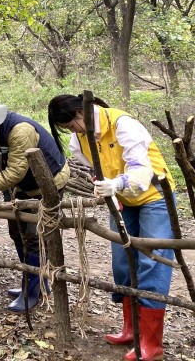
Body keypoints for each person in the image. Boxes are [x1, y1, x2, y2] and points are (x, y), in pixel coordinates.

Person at [48, 94, 174, 361]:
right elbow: (95, 167)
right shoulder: (78, 139)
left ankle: (152, 343)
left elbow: (143, 169)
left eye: (73, 125)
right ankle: (131, 329)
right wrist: (105, 186)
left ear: (81, 112)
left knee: (153, 261)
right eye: (68, 129)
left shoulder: (123, 124)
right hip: (124, 200)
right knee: (122, 261)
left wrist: (116, 184)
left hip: (154, 196)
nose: (74, 131)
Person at [0, 98, 70, 313]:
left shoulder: (20, 131)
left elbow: (16, 171)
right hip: (19, 186)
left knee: (34, 235)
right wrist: (6, 190)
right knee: (17, 232)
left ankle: (33, 291)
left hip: (47, 184)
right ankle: (34, 280)